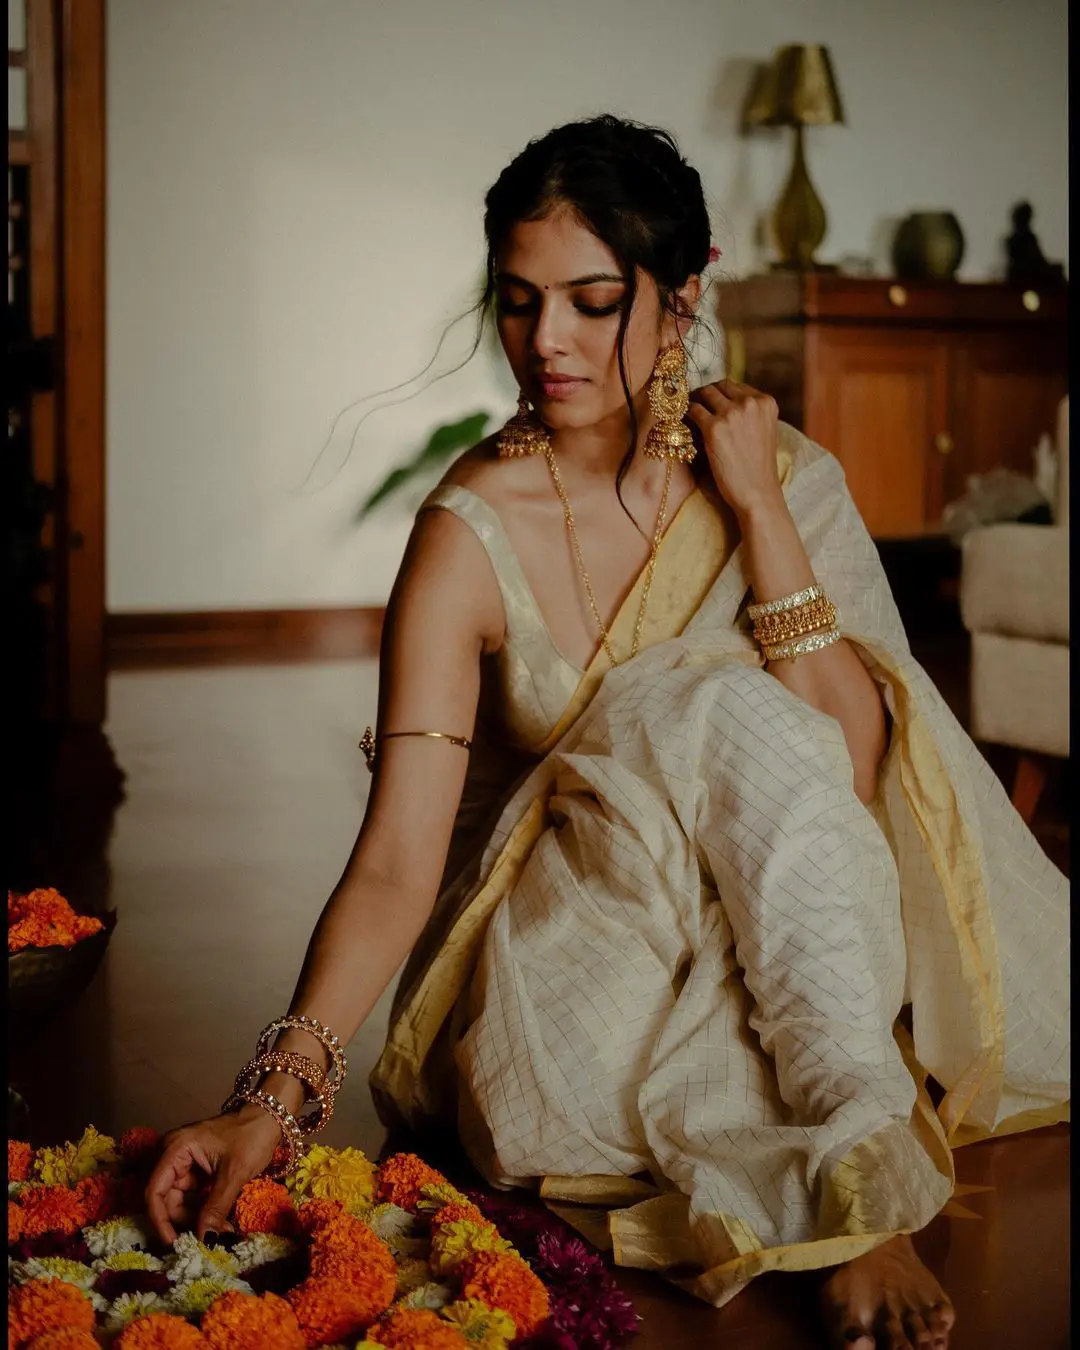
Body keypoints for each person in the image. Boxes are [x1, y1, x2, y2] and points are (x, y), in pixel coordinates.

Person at [147, 116, 1069, 1350]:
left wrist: (756, 511)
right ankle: (850, 1166)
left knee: (735, 716)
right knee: (597, 1038)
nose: (548, 344)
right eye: (520, 302)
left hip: (795, 907)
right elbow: (397, 859)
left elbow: (851, 763)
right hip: (582, 943)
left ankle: (856, 1176)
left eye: (593, 301)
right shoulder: (468, 535)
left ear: (685, 296)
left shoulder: (782, 477)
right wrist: (271, 1099)